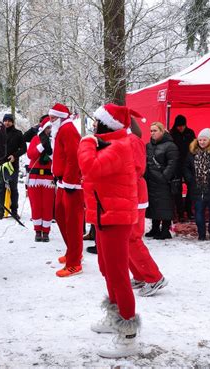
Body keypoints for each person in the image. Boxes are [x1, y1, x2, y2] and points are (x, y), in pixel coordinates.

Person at [78, 103, 140, 358]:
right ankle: (115, 315)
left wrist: (86, 142)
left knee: (118, 274)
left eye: (97, 122)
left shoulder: (120, 146)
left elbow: (90, 168)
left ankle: (128, 333)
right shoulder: (110, 144)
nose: (93, 126)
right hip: (105, 215)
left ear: (107, 124)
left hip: (116, 217)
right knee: (107, 269)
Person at [126, 119, 168, 297]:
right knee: (126, 239)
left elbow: (135, 169)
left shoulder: (132, 141)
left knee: (132, 238)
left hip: (133, 195)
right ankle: (140, 275)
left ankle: (154, 277)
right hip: (128, 195)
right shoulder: (125, 141)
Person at [49, 103, 83, 277]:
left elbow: (74, 156)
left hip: (71, 184)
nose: (50, 120)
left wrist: (70, 180)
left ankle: (75, 262)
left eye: (53, 117)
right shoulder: (60, 130)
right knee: (61, 216)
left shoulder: (68, 130)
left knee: (72, 222)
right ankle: (72, 252)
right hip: (62, 181)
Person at [145, 122, 179, 240]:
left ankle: (165, 230)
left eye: (155, 130)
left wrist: (164, 177)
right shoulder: (148, 146)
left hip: (164, 182)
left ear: (162, 131)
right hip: (151, 181)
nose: (152, 133)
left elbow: (172, 163)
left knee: (165, 206)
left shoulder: (170, 146)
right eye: (151, 131)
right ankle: (155, 228)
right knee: (154, 205)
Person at [26, 117, 55, 242]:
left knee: (47, 205)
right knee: (36, 205)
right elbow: (30, 154)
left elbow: (57, 157)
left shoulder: (55, 140)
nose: (49, 130)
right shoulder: (35, 139)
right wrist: (42, 146)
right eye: (47, 127)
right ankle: (37, 230)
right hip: (35, 178)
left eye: (51, 127)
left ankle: (46, 231)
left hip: (49, 177)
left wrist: (50, 151)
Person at [0, 114, 26, 220]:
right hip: (0, 164)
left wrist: (15, 155)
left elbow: (24, 148)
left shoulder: (18, 134)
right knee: (1, 189)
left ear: (13, 122)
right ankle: (0, 211)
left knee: (13, 188)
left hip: (12, 165)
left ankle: (14, 211)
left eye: (9, 121)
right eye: (5, 120)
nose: (7, 122)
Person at [170, 115, 196, 221]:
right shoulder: (172, 134)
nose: (180, 128)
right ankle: (180, 212)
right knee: (177, 189)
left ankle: (189, 210)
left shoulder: (190, 133)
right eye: (178, 126)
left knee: (192, 186)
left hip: (189, 164)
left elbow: (195, 147)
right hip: (176, 164)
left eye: (182, 126)